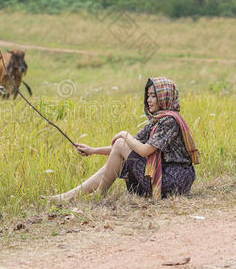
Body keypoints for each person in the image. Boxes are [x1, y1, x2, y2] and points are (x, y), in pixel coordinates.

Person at [44, 77, 200, 202]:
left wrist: (125, 134)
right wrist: (93, 150)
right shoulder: (157, 121)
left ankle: (98, 195)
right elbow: (124, 149)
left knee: (121, 143)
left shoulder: (169, 121)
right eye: (148, 96)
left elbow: (144, 150)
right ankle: (68, 196)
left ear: (165, 97)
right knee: (120, 146)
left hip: (173, 181)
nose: (148, 100)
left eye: (154, 96)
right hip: (163, 176)